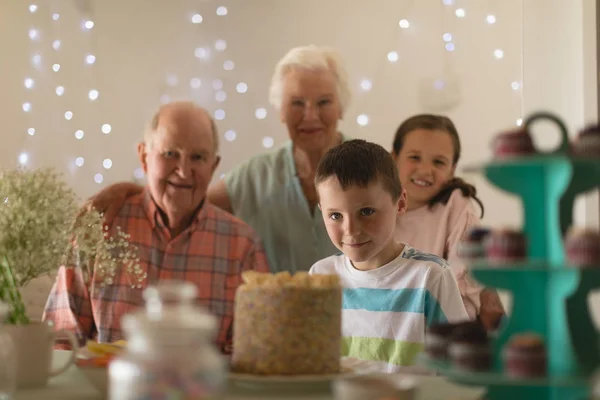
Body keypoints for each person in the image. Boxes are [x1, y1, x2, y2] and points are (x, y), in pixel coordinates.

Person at [81, 45, 352, 273]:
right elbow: (186, 201)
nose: (310, 115)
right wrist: (131, 191)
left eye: (324, 102)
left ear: (341, 106)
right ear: (280, 110)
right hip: (276, 329)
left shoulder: (368, 168)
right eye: (296, 103)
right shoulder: (254, 176)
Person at [43, 101, 270, 353]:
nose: (184, 171)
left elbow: (253, 354)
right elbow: (61, 339)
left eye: (197, 157)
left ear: (213, 166)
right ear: (144, 157)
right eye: (170, 154)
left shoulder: (242, 246)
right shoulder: (101, 227)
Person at [309, 139, 469, 372]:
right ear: (322, 212)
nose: (351, 230)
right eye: (335, 216)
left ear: (400, 203)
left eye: (366, 212)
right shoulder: (320, 276)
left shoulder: (431, 277)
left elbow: (461, 368)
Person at [391, 114, 504, 331]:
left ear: (452, 169)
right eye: (414, 157)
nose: (425, 170)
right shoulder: (378, 206)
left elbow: (465, 293)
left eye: (439, 162)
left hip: (443, 334)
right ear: (394, 157)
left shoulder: (456, 207)